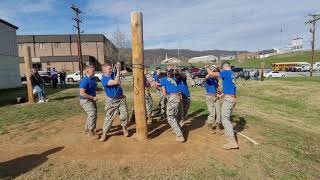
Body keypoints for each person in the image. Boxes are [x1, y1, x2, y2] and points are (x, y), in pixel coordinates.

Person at [205, 62, 239, 150]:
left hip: (229, 99)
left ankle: (232, 142)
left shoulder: (226, 72)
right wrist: (223, 94)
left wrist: (207, 67)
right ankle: (228, 134)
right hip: (232, 98)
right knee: (226, 118)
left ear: (224, 67)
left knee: (225, 119)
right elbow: (231, 87)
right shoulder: (232, 74)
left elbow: (211, 73)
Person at [100, 62, 129, 142]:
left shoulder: (113, 73)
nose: (111, 70)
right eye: (109, 69)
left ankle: (124, 128)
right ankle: (104, 133)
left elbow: (121, 73)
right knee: (109, 118)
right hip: (112, 100)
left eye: (111, 68)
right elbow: (116, 82)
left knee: (124, 115)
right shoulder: (104, 79)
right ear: (104, 71)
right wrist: (119, 70)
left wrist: (122, 71)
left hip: (121, 98)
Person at [160, 69, 185, 142]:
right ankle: (179, 128)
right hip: (179, 97)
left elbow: (164, 93)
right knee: (177, 115)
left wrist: (159, 87)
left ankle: (179, 135)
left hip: (173, 98)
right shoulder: (173, 79)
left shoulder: (163, 79)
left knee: (170, 117)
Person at [79, 65, 98, 138]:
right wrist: (93, 97)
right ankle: (91, 132)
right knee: (92, 114)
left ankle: (87, 128)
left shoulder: (92, 79)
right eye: (92, 71)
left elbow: (94, 88)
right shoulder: (84, 80)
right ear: (87, 72)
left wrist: (104, 89)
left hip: (91, 100)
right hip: (86, 100)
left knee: (92, 114)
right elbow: (82, 93)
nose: (94, 72)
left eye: (94, 71)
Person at [205, 65, 222, 134]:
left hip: (216, 97)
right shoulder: (209, 78)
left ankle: (218, 127)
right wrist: (210, 69)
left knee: (218, 112)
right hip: (209, 97)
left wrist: (219, 91)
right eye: (215, 72)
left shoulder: (215, 79)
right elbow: (207, 77)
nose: (216, 73)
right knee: (212, 113)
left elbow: (218, 88)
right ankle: (210, 127)